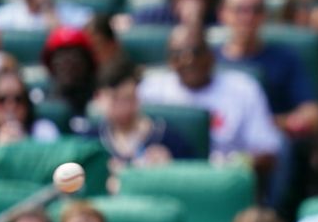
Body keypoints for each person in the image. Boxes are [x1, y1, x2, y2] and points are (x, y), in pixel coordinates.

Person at [138, 24, 282, 163]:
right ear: (169, 61)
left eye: (196, 52)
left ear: (211, 55)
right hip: (166, 178)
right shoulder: (150, 89)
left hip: (224, 178)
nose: (188, 60)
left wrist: (236, 163)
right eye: (178, 54)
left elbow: (268, 150)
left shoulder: (243, 88)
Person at [216, 0, 318, 136]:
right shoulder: (208, 61)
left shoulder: (285, 59)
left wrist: (274, 123)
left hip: (271, 142)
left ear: (264, 15)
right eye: (240, 10)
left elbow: (313, 112)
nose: (248, 17)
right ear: (223, 14)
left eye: (256, 10)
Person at [91, 57, 191, 192]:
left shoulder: (167, 138)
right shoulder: (90, 141)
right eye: (115, 99)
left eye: (128, 98)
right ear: (99, 98)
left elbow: (192, 179)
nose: (123, 108)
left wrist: (170, 170)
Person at [0, 70, 59, 180]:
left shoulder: (44, 130)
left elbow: (52, 174)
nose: (11, 105)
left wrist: (23, 147)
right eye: (1, 100)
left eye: (18, 99)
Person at [41, 26, 98, 125]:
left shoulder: (99, 99)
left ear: (87, 63)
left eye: (74, 56)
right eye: (61, 57)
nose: (67, 65)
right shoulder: (43, 102)